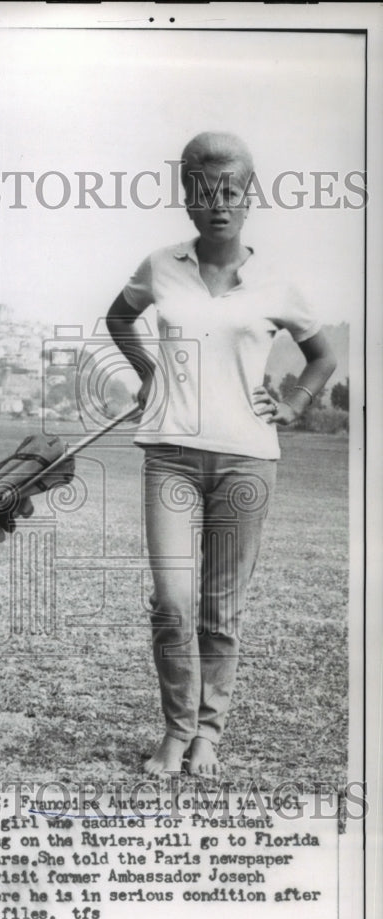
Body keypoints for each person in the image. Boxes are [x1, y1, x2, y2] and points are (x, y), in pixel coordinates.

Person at [105, 132, 337, 777]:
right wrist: (148, 374)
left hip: (245, 462)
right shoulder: (160, 265)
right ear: (186, 198)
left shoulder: (278, 283)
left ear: (249, 195)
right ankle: (176, 731)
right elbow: (119, 320)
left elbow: (323, 357)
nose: (219, 203)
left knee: (220, 607)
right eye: (204, 192)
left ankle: (209, 734)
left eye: (230, 190)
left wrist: (293, 406)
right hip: (171, 456)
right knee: (172, 602)